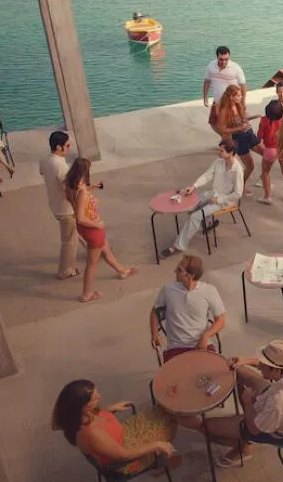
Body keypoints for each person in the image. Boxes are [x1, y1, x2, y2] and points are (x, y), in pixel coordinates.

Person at [202, 340, 283, 467]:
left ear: (276, 371)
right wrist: (245, 361)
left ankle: (242, 449)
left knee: (206, 427)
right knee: (238, 369)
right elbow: (271, 365)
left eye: (263, 365)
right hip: (274, 399)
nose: (259, 367)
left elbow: (254, 430)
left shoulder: (280, 401)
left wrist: (248, 402)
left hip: (268, 428)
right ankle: (238, 426)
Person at [52, 380, 178, 475]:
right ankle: (161, 463)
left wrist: (110, 409)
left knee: (163, 409)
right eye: (94, 398)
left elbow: (96, 418)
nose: (100, 396)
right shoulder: (93, 434)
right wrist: (156, 445)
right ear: (83, 407)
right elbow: (124, 455)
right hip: (126, 453)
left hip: (122, 434)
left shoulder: (78, 416)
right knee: (171, 422)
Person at [65, 158, 136, 303]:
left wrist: (91, 189)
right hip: (93, 229)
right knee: (92, 264)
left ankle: (122, 271)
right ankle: (87, 294)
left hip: (87, 229)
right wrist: (97, 225)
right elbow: (80, 217)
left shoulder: (72, 186)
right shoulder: (82, 192)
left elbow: (79, 202)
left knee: (106, 249)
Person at [160, 141, 244, 258]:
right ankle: (208, 223)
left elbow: (238, 193)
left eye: (222, 151)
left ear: (231, 153)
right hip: (212, 193)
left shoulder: (238, 170)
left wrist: (219, 199)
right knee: (189, 206)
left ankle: (177, 246)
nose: (219, 152)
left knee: (195, 216)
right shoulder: (219, 161)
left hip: (224, 201)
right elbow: (207, 175)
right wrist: (193, 186)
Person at [150, 254, 226, 363]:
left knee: (214, 371)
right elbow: (155, 311)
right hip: (176, 347)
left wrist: (206, 336)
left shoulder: (209, 291)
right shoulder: (168, 290)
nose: (175, 271)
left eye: (180, 270)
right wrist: (154, 333)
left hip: (202, 345)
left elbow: (221, 320)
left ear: (191, 275)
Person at [39, 131, 80, 280]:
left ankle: (95, 248)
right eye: (67, 145)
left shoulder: (45, 159)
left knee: (76, 231)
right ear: (58, 147)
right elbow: (68, 188)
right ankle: (65, 270)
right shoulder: (60, 165)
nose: (69, 148)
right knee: (69, 242)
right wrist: (77, 205)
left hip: (55, 204)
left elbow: (42, 172)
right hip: (65, 209)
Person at [214, 84, 263, 195]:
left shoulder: (238, 105)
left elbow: (242, 118)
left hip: (249, 134)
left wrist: (254, 116)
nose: (241, 97)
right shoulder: (224, 111)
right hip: (239, 139)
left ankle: (263, 178)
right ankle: (240, 186)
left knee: (266, 154)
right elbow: (222, 129)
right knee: (250, 166)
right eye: (239, 95)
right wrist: (240, 128)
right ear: (231, 97)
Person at [204, 46, 247, 130]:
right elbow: (207, 81)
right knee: (213, 123)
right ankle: (226, 136)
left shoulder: (236, 68)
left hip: (231, 103)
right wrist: (205, 97)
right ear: (217, 57)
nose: (224, 62)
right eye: (221, 59)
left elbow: (243, 85)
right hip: (217, 101)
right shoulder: (211, 65)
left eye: (226, 59)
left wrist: (243, 101)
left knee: (231, 125)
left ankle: (229, 137)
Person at [255, 100, 283, 205]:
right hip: (281, 149)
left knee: (265, 172)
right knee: (271, 170)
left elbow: (259, 136)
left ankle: (267, 196)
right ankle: (267, 184)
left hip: (270, 150)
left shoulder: (264, 120)